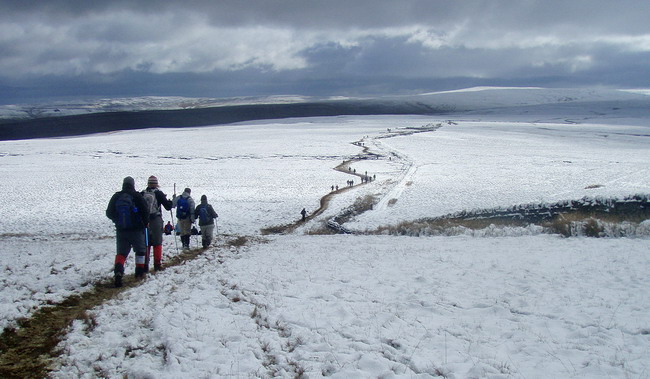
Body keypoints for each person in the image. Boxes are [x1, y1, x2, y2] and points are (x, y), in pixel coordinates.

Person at [106, 176, 149, 287]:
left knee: (121, 253)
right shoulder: (137, 196)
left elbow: (109, 213)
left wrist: (117, 220)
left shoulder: (116, 196)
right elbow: (145, 211)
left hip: (121, 230)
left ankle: (118, 272)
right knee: (140, 251)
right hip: (137, 230)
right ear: (133, 185)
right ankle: (139, 273)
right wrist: (144, 223)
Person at [141, 175, 173, 271]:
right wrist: (170, 202)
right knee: (157, 242)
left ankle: (145, 265)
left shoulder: (142, 193)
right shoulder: (159, 193)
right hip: (156, 219)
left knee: (146, 242)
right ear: (156, 184)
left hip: (145, 221)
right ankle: (157, 264)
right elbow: (168, 207)